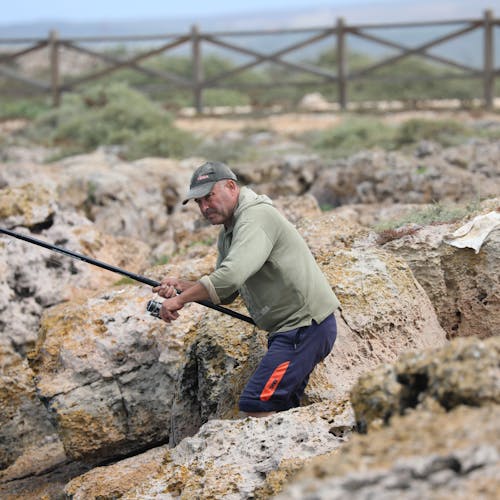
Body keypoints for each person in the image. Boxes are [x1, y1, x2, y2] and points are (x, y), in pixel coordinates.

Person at [153, 161, 340, 417]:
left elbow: (230, 277)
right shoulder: (228, 232)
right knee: (285, 413)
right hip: (291, 333)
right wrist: (181, 287)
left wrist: (180, 300)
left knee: (257, 403)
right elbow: (228, 292)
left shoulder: (255, 217)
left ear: (231, 187)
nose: (205, 207)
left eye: (209, 196)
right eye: (199, 202)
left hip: (304, 329)